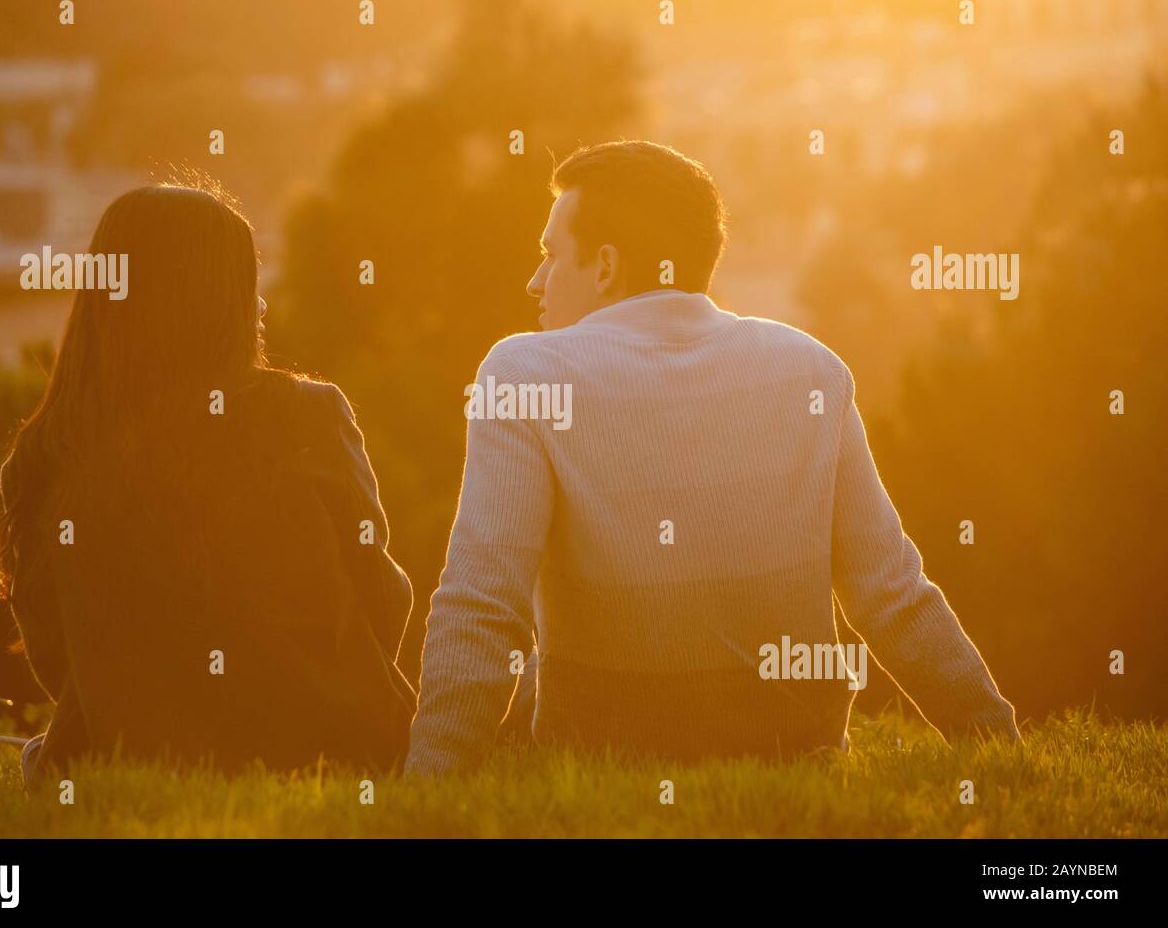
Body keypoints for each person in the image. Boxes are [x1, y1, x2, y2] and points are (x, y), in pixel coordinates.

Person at [407, 140, 1020, 774]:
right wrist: (996, 742)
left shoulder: (524, 373)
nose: (535, 281)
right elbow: (890, 591)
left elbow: (482, 603)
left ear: (606, 267)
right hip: (796, 753)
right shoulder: (810, 368)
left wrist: (426, 787)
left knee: (534, 672)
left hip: (603, 756)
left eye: (551, 256)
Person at [0, 183, 414, 783]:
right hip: (349, 745)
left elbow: (59, 659)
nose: (261, 307)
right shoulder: (309, 414)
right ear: (229, 301)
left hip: (135, 757)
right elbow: (383, 598)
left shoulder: (42, 458)